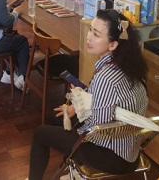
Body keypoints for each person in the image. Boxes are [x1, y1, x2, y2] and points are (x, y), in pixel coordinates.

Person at [28, 9, 148, 179]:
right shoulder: (129, 65)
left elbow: (95, 129)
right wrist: (82, 101)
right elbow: (110, 102)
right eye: (90, 30)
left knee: (40, 133)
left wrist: (78, 105)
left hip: (112, 155)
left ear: (113, 45)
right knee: (55, 117)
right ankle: (72, 168)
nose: (88, 37)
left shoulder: (106, 78)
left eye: (96, 34)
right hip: (129, 148)